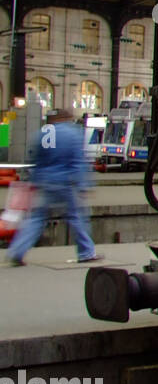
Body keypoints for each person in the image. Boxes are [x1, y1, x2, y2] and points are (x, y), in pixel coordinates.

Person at [8, 108, 99, 266]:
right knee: (76, 217)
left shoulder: (42, 133)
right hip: (65, 183)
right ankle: (86, 252)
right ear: (65, 118)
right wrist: (83, 185)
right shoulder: (73, 133)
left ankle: (17, 251)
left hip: (44, 183)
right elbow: (78, 161)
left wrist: (32, 182)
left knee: (36, 218)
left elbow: (35, 160)